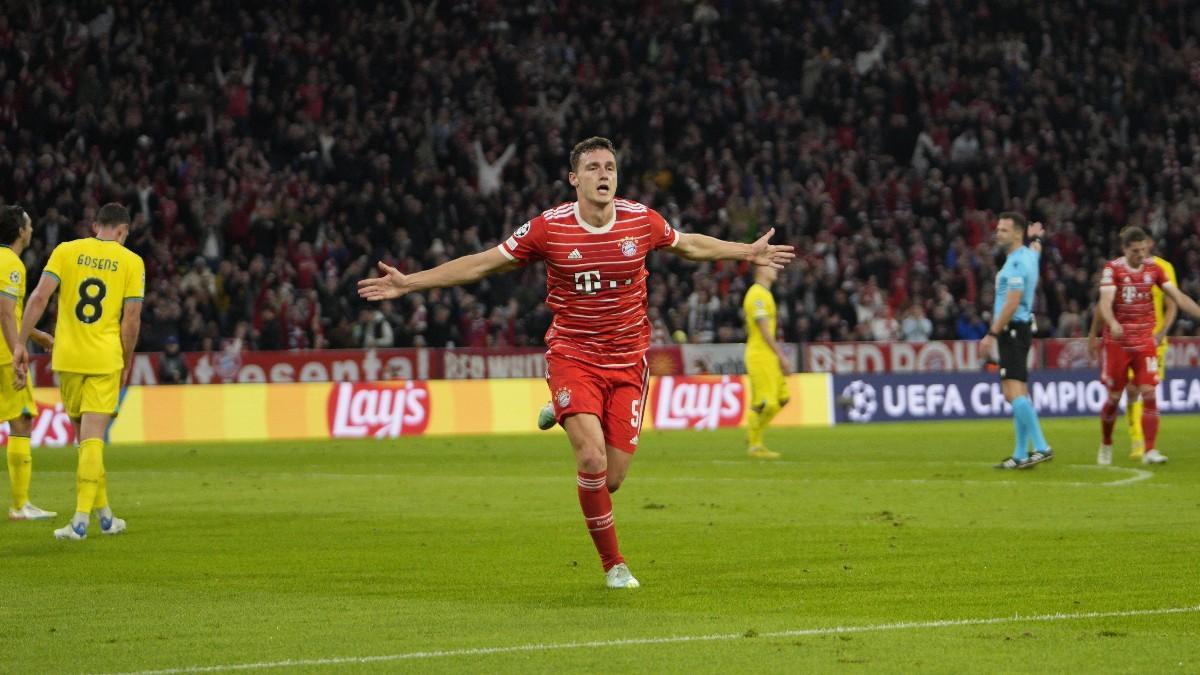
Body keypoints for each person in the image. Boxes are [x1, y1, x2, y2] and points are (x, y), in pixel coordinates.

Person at [360, 137, 794, 588]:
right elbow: (482, 264)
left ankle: (563, 410)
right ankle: (615, 566)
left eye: (610, 167)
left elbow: (690, 246)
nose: (604, 174)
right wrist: (410, 284)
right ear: (574, 179)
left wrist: (745, 251)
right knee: (591, 458)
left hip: (628, 362)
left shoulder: (640, 220)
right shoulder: (548, 229)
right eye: (593, 168)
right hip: (574, 356)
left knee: (613, 479)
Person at [13, 203, 145, 540]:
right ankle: (80, 521)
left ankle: (105, 515)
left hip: (67, 357)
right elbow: (131, 320)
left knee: (85, 441)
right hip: (103, 358)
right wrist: (127, 359)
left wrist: (20, 344)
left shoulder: (66, 251)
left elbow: (39, 297)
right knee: (93, 440)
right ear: (121, 231)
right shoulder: (131, 262)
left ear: (95, 225)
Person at [1092, 226, 1200, 466]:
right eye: (1135, 251)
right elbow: (1106, 302)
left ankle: (1150, 450)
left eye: (1143, 249)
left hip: (1144, 342)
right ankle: (1106, 442)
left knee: (1149, 393)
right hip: (1118, 343)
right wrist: (1112, 323)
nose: (1141, 255)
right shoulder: (1113, 269)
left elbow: (1178, 297)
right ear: (1125, 249)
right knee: (1114, 397)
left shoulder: (1155, 269)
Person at [978, 213, 1052, 469]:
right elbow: (1037, 250)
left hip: (1012, 330)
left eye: (1004, 230)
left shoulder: (1017, 264)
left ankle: (1041, 446)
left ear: (1017, 234)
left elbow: (1012, 302)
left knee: (1012, 392)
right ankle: (1020, 454)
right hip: (1018, 330)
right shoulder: (1028, 255)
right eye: (998, 229)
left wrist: (992, 334)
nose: (998, 234)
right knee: (1017, 391)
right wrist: (1036, 238)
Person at [0, 206, 57, 521]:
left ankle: (22, 504)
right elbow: (6, 313)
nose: (32, 229)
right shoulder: (11, 264)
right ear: (20, 231)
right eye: (29, 225)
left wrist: (36, 336)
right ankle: (20, 505)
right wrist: (18, 354)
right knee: (21, 421)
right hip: (2, 357)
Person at [743, 265, 790, 459]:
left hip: (768, 356)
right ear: (761, 270)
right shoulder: (757, 295)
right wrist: (781, 355)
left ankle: (753, 434)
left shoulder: (765, 294)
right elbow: (763, 330)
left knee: (782, 397)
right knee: (765, 403)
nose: (776, 271)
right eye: (772, 268)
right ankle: (755, 444)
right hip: (760, 356)